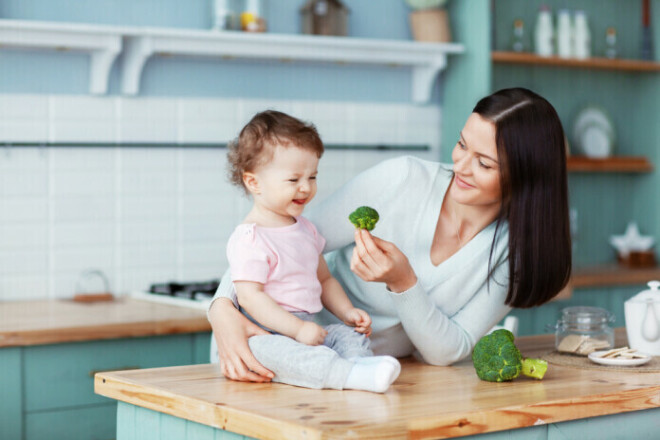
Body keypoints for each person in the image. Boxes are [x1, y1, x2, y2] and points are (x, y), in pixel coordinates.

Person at [208, 87, 571, 383]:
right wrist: (221, 309)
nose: (460, 166)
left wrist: (404, 282)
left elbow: (448, 351)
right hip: (267, 348)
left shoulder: (517, 250)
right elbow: (280, 235)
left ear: (527, 176)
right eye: (462, 145)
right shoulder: (404, 179)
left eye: (484, 163)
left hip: (361, 375)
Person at [221, 110, 401, 392]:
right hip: (266, 333)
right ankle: (350, 376)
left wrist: (347, 312)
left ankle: (359, 367)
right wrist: (296, 330)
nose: (305, 188)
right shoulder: (249, 238)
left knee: (345, 336)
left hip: (307, 328)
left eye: (312, 177)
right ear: (253, 182)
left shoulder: (305, 230)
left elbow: (325, 280)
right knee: (274, 353)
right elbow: (251, 298)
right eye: (293, 180)